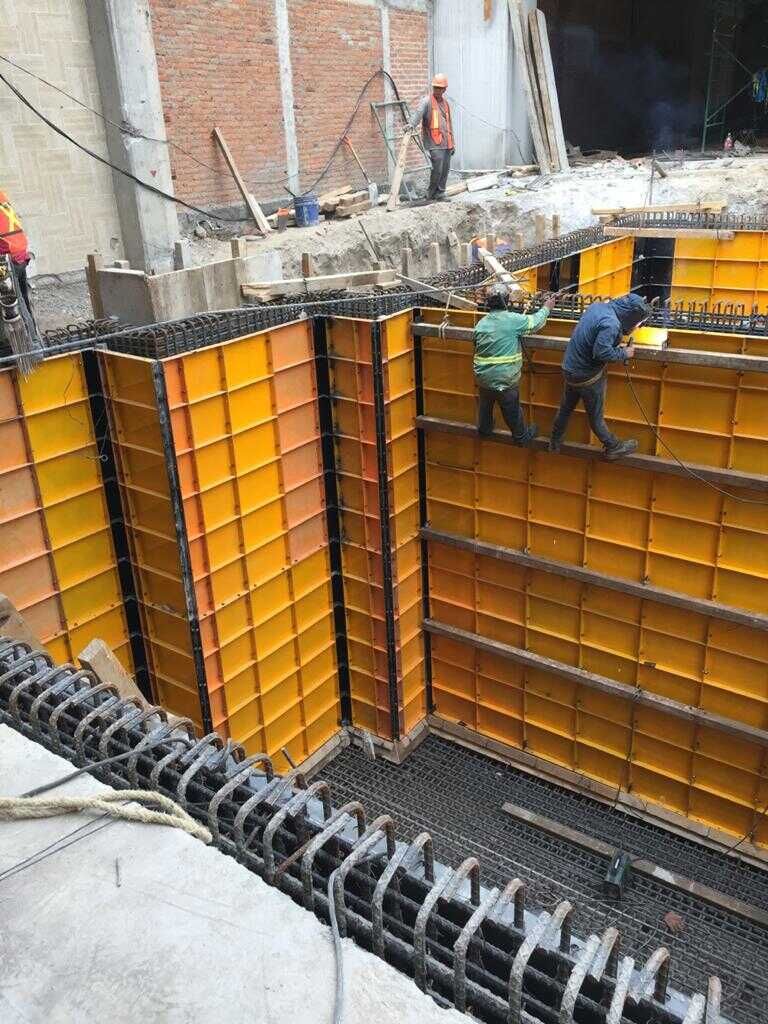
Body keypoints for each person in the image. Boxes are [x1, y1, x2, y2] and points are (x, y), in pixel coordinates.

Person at [548, 293, 652, 460]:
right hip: (586, 377)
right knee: (595, 417)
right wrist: (624, 352)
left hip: (570, 369)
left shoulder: (597, 307)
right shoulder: (611, 324)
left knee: (565, 409)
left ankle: (554, 441)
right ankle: (613, 446)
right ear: (630, 317)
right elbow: (601, 352)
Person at [474, 283, 557, 445]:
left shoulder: (481, 324)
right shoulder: (513, 321)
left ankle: (484, 430)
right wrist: (547, 307)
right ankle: (521, 437)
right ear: (506, 301)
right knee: (511, 410)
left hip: (483, 378)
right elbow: (535, 322)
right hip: (505, 380)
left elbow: (475, 345)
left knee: (485, 404)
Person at [409, 73, 454, 202]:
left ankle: (440, 192)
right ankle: (430, 193)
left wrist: (453, 143)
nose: (437, 90)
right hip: (434, 143)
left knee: (445, 169)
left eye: (440, 88)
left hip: (447, 143)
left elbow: (449, 124)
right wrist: (411, 124)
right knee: (437, 169)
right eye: (435, 87)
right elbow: (418, 113)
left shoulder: (446, 104)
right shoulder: (426, 101)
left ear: (445, 89)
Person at [0, 189, 32, 311]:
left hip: (7, 259)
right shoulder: (1, 195)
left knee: (12, 306)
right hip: (20, 253)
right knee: (22, 299)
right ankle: (31, 327)